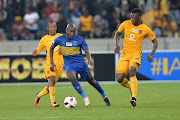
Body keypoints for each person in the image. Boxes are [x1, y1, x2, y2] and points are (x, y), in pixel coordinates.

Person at [50, 23, 111, 107]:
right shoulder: (59, 39)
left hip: (81, 64)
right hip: (69, 64)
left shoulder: (80, 39)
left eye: (74, 32)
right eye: (71, 31)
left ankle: (104, 96)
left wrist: (89, 60)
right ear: (66, 31)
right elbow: (51, 48)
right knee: (71, 76)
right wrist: (51, 62)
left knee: (92, 81)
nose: (72, 34)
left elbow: (86, 51)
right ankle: (85, 97)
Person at [114, 8, 158, 107]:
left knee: (132, 70)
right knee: (119, 79)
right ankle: (131, 87)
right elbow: (117, 34)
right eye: (131, 17)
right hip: (124, 55)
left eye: (133, 17)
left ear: (139, 17)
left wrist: (151, 54)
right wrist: (116, 45)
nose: (131, 19)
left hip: (136, 55)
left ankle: (133, 98)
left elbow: (155, 41)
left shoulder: (145, 29)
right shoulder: (126, 24)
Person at [32, 20, 64, 107]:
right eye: (51, 27)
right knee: (52, 79)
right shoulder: (44, 39)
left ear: (56, 27)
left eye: (54, 27)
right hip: (49, 63)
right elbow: (39, 48)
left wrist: (63, 50)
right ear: (47, 28)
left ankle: (38, 95)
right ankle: (53, 102)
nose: (53, 29)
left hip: (60, 64)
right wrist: (36, 52)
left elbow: (66, 47)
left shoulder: (61, 36)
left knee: (50, 86)